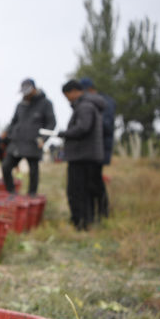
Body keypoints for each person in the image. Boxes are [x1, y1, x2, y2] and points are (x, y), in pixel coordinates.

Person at [58, 79, 105, 231]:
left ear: (73, 92)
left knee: (77, 191)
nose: (67, 99)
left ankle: (81, 222)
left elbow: (83, 128)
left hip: (82, 156)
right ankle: (87, 220)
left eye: (67, 96)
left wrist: (64, 134)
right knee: (88, 191)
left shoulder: (84, 107)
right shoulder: (89, 105)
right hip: (88, 155)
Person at [1, 78, 56, 196]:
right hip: (17, 142)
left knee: (33, 171)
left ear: (34, 90)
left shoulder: (46, 104)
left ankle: (32, 195)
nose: (25, 95)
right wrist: (7, 131)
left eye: (28, 92)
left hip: (34, 142)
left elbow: (51, 123)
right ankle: (11, 193)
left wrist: (44, 139)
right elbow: (14, 121)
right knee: (6, 166)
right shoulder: (20, 105)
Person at [81, 77, 115, 220]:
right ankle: (94, 212)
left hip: (99, 149)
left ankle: (102, 211)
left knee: (96, 182)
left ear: (89, 90)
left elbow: (106, 126)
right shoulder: (95, 102)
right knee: (90, 181)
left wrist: (89, 123)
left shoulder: (104, 103)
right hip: (92, 148)